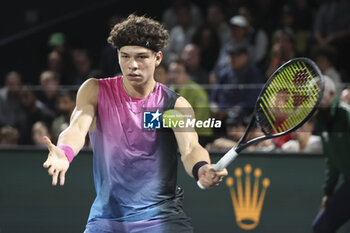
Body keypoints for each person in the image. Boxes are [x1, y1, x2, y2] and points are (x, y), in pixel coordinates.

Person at [42, 14, 227, 233]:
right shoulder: (94, 90)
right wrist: (64, 152)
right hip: (106, 219)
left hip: (160, 218)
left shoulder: (175, 105)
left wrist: (202, 169)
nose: (133, 65)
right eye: (125, 56)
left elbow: (190, 148)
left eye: (141, 57)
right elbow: (77, 127)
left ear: (157, 58)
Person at [312, 76, 350, 233]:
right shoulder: (321, 123)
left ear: (333, 95)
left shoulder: (345, 115)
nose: (317, 97)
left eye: (321, 92)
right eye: (314, 94)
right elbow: (332, 161)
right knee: (321, 227)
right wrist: (328, 192)